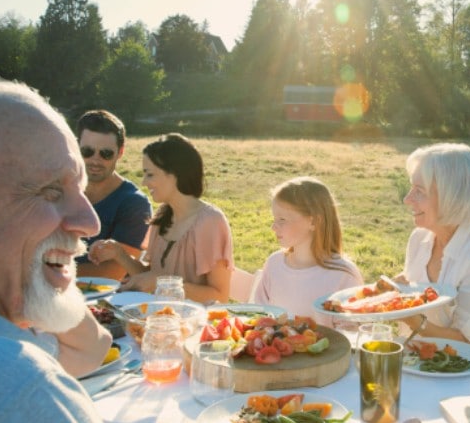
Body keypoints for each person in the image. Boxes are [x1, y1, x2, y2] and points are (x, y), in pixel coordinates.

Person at [0, 77, 116, 423]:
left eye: (80, 191)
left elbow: (90, 349)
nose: (90, 222)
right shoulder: (18, 384)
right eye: (50, 191)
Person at [87, 132, 233, 304]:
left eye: (150, 174)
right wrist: (119, 254)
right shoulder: (162, 217)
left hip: (193, 324)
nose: (144, 182)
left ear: (174, 173)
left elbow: (219, 296)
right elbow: (150, 277)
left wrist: (162, 283)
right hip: (158, 319)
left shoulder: (210, 222)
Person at [397, 142, 470, 357]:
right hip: (418, 364)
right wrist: (395, 289)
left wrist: (408, 317)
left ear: (452, 197)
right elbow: (418, 289)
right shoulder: (419, 239)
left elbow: (467, 343)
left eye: (419, 191)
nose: (407, 199)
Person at [252, 176, 364, 325]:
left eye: (282, 220)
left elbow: (351, 337)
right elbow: (259, 320)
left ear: (313, 221)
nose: (274, 227)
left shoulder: (343, 275)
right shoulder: (274, 264)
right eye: (274, 219)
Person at [75, 109, 152, 280]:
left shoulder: (133, 204)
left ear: (120, 152)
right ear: (75, 147)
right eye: (87, 151)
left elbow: (111, 273)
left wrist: (43, 276)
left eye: (106, 153)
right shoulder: (59, 189)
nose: (95, 160)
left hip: (99, 300)